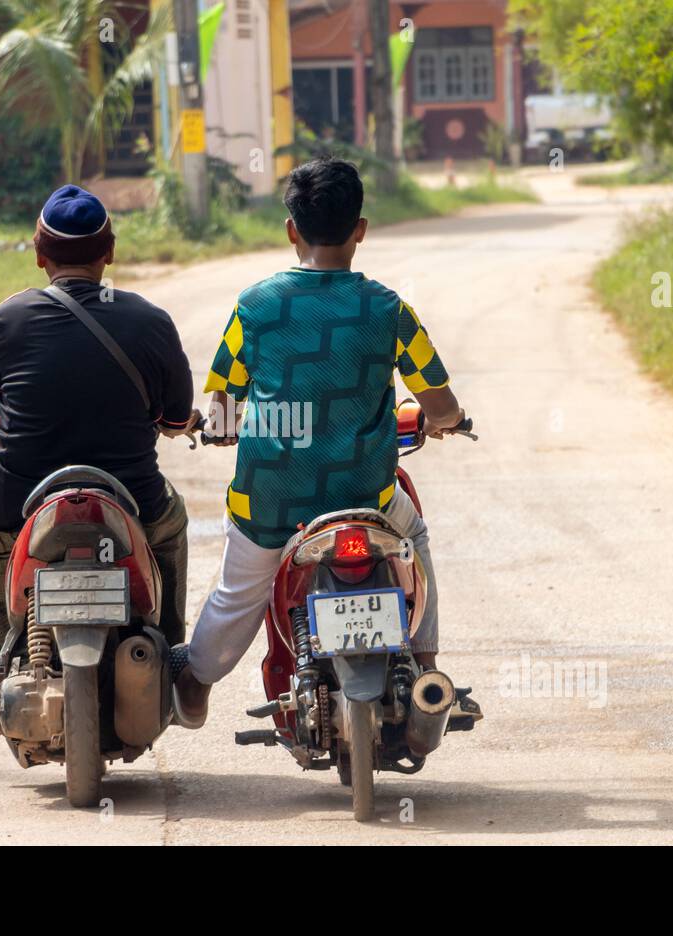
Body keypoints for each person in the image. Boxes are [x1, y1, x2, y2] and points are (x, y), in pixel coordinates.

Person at [173, 158, 468, 727]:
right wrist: (449, 420)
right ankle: (427, 667)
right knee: (417, 539)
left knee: (236, 597)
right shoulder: (390, 309)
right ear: (360, 228)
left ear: (291, 229)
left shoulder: (253, 307)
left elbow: (222, 412)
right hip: (366, 497)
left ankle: (195, 683)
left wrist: (225, 429)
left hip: (271, 503)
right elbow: (439, 402)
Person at [0, 185, 200, 663]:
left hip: (15, 501)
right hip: (132, 500)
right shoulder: (150, 320)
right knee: (170, 529)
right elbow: (175, 420)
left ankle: (10, 656)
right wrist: (184, 425)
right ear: (110, 252)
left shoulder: (10, 317)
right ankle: (168, 655)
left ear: (40, 256)